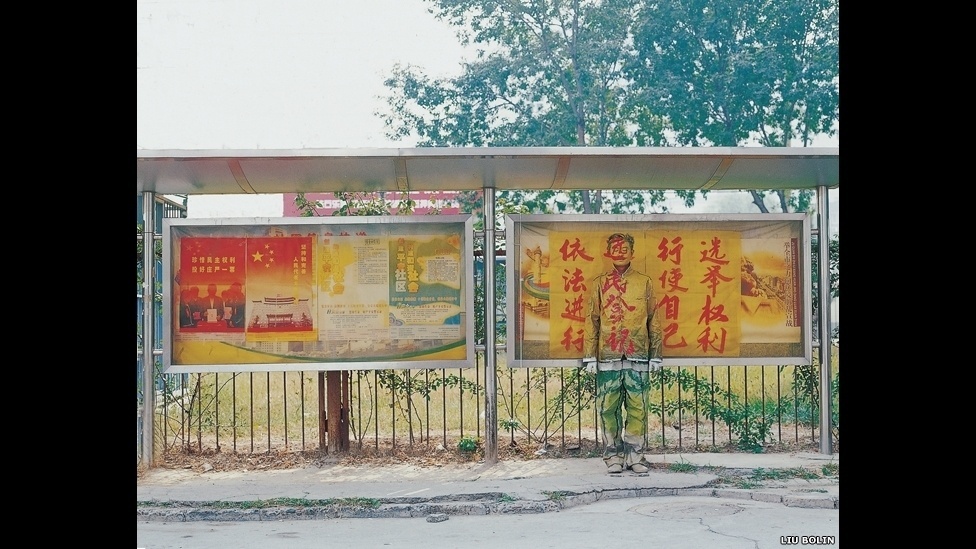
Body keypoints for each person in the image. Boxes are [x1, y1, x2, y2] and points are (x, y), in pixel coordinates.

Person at [582, 233, 664, 474]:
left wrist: (656, 354)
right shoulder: (599, 283)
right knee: (608, 408)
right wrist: (590, 356)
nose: (620, 252)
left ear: (632, 252)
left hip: (638, 353)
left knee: (638, 407)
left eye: (624, 248)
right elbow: (592, 319)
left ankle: (635, 456)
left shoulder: (644, 282)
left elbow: (653, 319)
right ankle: (613, 456)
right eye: (615, 248)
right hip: (607, 355)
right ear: (608, 252)